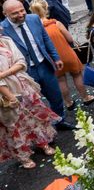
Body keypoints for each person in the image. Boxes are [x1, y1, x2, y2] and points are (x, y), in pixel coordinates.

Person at [0, 0, 73, 130]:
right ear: (5, 14)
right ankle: (43, 132)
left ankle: (59, 121)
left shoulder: (33, 19)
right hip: (23, 72)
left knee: (56, 97)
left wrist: (56, 58)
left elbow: (46, 39)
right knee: (33, 104)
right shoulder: (2, 29)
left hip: (44, 64)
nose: (21, 14)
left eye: (22, 10)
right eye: (15, 13)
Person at [0, 35, 58, 169]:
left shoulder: (7, 40)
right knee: (14, 126)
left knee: (34, 116)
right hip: (5, 93)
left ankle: (43, 143)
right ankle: (24, 156)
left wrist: (4, 74)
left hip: (23, 85)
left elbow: (21, 61)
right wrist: (10, 97)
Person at [30, 0, 94, 110]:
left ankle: (68, 102)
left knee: (61, 80)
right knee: (77, 75)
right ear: (46, 9)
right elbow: (70, 39)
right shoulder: (56, 23)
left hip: (53, 59)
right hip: (67, 54)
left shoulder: (34, 29)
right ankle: (86, 97)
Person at [3, 0, 71, 29]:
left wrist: (40, 20)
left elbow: (49, 5)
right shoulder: (24, 0)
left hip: (58, 18)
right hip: (47, 24)